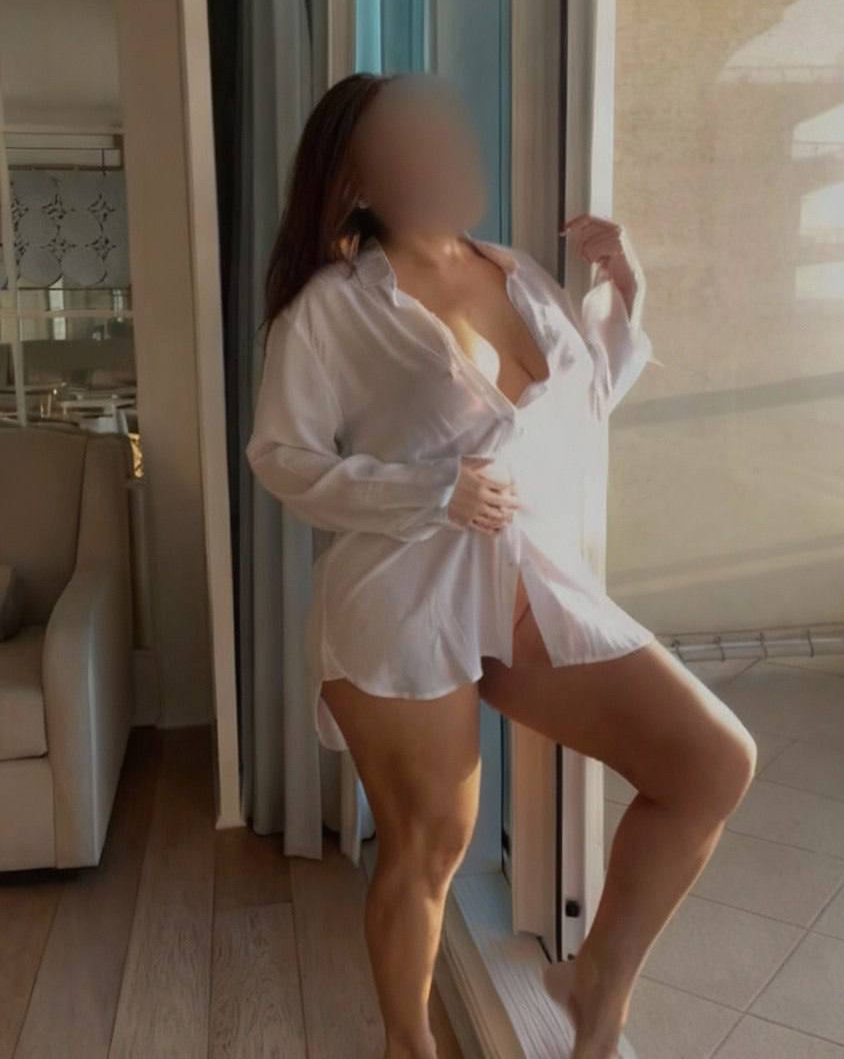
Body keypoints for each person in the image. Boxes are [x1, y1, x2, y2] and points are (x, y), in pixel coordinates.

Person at [245, 71, 758, 1059]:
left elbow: (575, 407)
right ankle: (410, 1046)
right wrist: (428, 491)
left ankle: (595, 983)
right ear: (358, 179)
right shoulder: (332, 308)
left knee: (709, 762)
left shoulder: (517, 271)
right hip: (402, 600)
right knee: (430, 846)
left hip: (526, 582)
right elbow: (281, 459)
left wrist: (626, 288)